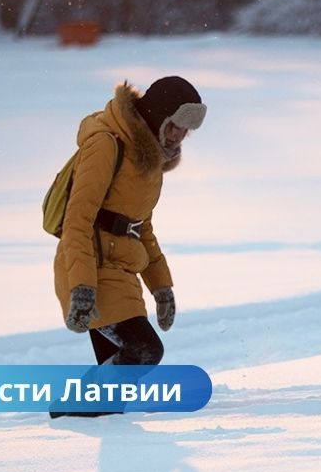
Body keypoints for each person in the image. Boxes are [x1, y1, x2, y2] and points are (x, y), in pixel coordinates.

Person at [53, 76, 206, 369]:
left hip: (123, 271)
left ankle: (75, 412)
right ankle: (72, 408)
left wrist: (161, 287)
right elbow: (77, 220)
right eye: (175, 125)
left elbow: (142, 227)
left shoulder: (150, 160)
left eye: (186, 130)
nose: (179, 136)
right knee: (144, 350)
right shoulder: (106, 145)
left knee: (119, 383)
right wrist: (82, 287)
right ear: (157, 116)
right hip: (93, 268)